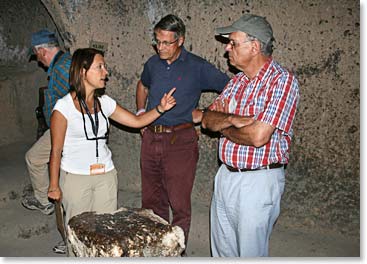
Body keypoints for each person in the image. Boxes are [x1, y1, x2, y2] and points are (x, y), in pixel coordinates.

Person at [47, 48, 176, 256]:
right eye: (100, 67)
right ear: (82, 71)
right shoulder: (63, 108)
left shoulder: (104, 103)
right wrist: (54, 185)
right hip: (76, 178)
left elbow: (136, 122)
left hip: (105, 176)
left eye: (104, 67)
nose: (105, 72)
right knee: (78, 237)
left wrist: (160, 109)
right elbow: (56, 151)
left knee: (106, 237)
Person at [201, 14, 300, 257]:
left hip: (257, 181)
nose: (227, 48)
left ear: (254, 47)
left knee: (250, 255)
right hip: (225, 176)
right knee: (222, 253)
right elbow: (206, 119)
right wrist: (233, 120)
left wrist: (222, 125)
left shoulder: (281, 82)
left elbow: (258, 136)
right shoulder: (237, 82)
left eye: (233, 43)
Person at [136, 14, 229, 251]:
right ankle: (156, 249)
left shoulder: (197, 66)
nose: (160, 47)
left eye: (166, 42)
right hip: (151, 136)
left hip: (181, 140)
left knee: (178, 203)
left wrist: (206, 114)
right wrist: (140, 113)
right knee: (151, 201)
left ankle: (176, 251)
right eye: (157, 41)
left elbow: (230, 88)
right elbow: (142, 84)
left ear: (180, 40)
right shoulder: (153, 63)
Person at [22, 29, 71, 216]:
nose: (38, 60)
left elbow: (78, 99)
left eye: (36, 55)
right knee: (36, 158)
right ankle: (46, 200)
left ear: (42, 51)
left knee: (35, 159)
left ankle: (47, 202)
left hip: (66, 129)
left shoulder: (61, 69)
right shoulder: (64, 63)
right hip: (61, 128)